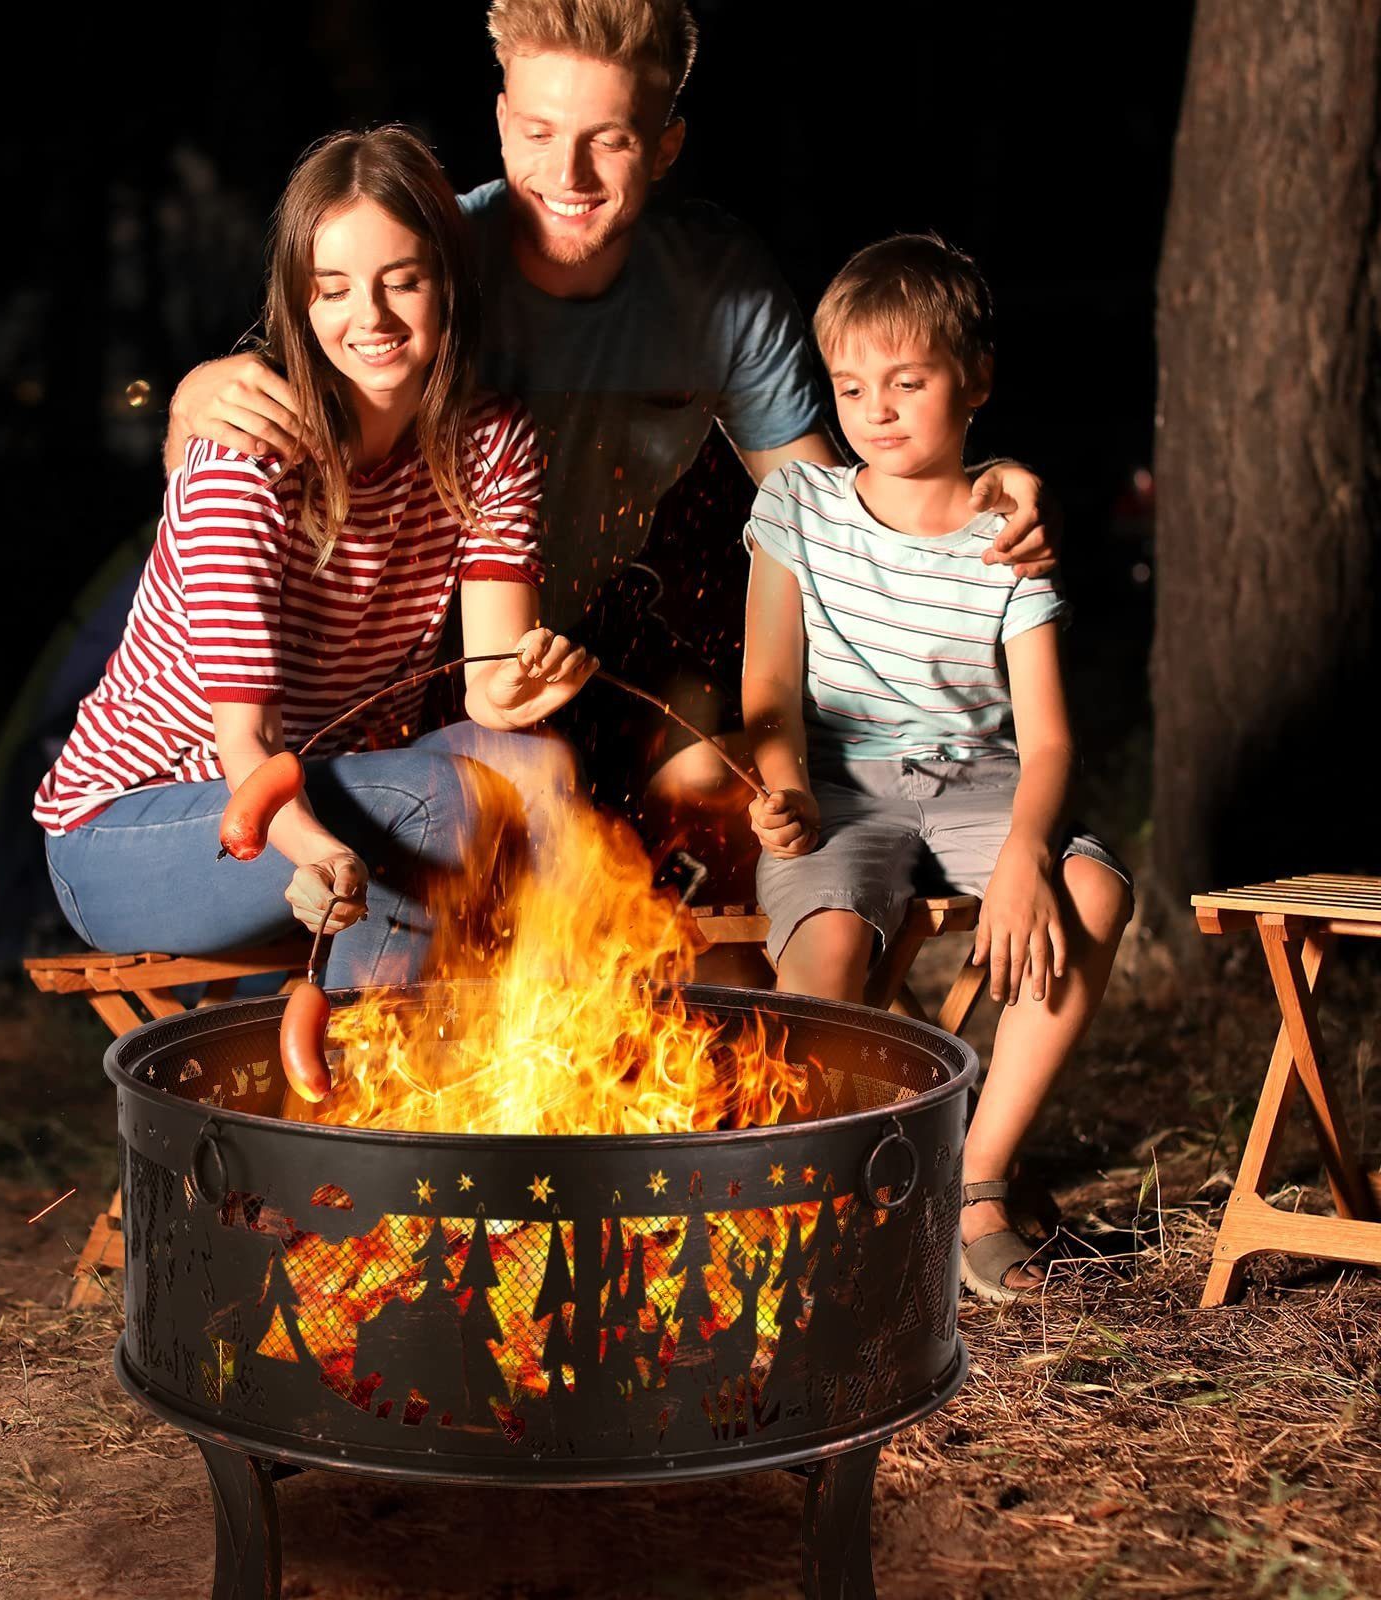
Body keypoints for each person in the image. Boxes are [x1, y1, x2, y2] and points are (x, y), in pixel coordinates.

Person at [164, 0, 1059, 824]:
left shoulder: (717, 286)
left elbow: (830, 511)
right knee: (511, 803)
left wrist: (973, 481)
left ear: (665, 148)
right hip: (419, 664)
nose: (569, 173)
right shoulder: (428, 259)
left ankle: (755, 994)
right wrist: (191, 399)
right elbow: (241, 461)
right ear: (503, 120)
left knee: (720, 790)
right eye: (540, 132)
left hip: (597, 636)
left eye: (612, 140)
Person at [33, 126, 595, 984]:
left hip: (333, 778)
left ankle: (551, 1054)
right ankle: (368, 1097)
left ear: (449, 284)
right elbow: (248, 743)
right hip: (136, 824)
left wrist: (520, 687)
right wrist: (319, 853)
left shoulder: (492, 440)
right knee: (439, 803)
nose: (368, 318)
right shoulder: (244, 460)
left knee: (538, 768)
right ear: (299, 302)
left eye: (402, 281)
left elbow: (489, 678)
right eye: (332, 289)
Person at [742, 235, 1133, 1301]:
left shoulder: (1008, 538)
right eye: (852, 386)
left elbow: (1048, 739)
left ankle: (979, 1183)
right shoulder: (798, 511)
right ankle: (827, 1204)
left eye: (906, 382)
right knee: (824, 945)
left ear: (975, 381)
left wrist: (1022, 853)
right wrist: (777, 783)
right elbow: (768, 691)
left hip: (976, 780)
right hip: (839, 784)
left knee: (1092, 885)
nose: (875, 409)